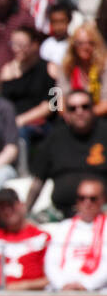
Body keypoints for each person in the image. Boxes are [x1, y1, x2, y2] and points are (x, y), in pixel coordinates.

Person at [26, 90, 107, 218]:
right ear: (67, 114)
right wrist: (26, 212)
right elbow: (38, 182)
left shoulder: (104, 133)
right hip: (61, 214)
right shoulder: (55, 138)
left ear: (93, 110)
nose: (79, 111)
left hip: (102, 213)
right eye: (73, 108)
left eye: (85, 106)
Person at [0, 187, 49, 291]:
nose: (7, 211)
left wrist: (22, 286)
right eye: (2, 207)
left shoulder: (42, 237)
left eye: (10, 205)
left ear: (21, 205)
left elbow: (50, 279)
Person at [43, 177, 107, 291]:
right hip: (63, 290)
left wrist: (86, 285)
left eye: (93, 198)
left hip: (98, 292)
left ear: (102, 200)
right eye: (82, 198)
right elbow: (51, 263)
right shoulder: (64, 227)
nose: (87, 203)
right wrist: (63, 285)